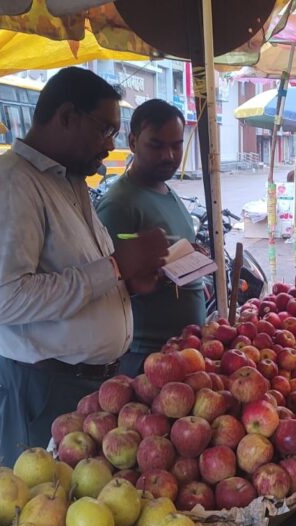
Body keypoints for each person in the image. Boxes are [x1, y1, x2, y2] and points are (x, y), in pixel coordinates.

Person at [0, 67, 169, 467]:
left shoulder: (68, 181)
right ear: (67, 116)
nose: (110, 146)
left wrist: (125, 284)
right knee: (45, 499)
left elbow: (72, 274)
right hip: (45, 389)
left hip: (92, 387)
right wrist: (116, 267)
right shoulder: (11, 184)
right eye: (105, 130)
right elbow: (5, 300)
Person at [96, 99, 205, 377]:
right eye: (156, 145)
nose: (169, 155)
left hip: (185, 349)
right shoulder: (119, 204)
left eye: (176, 145)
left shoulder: (167, 191)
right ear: (133, 142)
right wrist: (160, 274)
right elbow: (107, 283)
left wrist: (193, 261)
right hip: (147, 358)